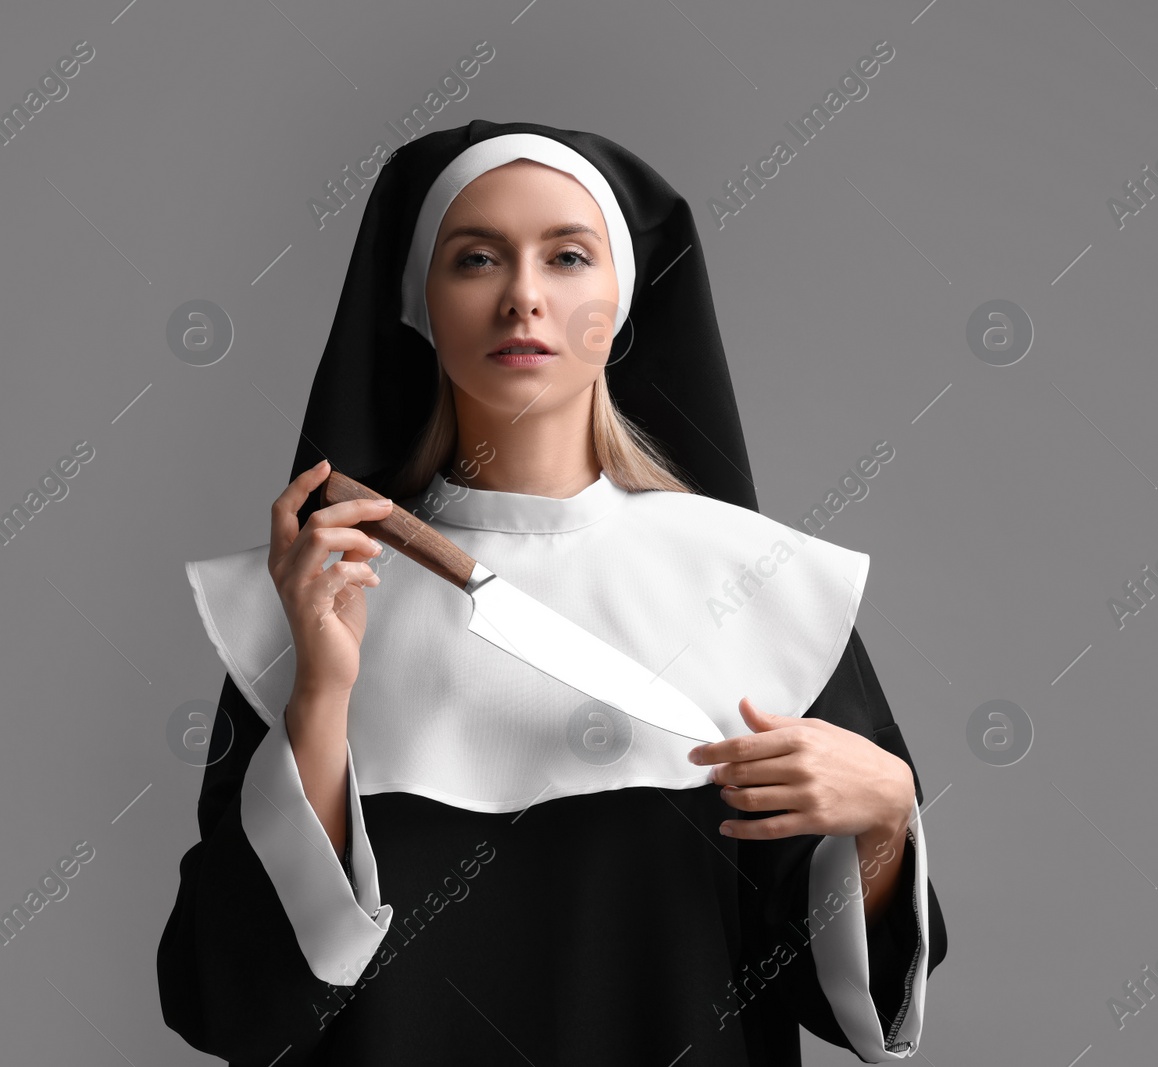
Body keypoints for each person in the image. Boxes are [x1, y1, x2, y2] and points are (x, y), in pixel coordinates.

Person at [157, 119, 948, 1066]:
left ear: (619, 303)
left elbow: (834, 999)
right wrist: (322, 700)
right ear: (419, 303)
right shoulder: (317, 596)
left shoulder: (759, 590)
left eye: (569, 256)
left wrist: (887, 819)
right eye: (477, 258)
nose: (524, 298)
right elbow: (237, 1011)